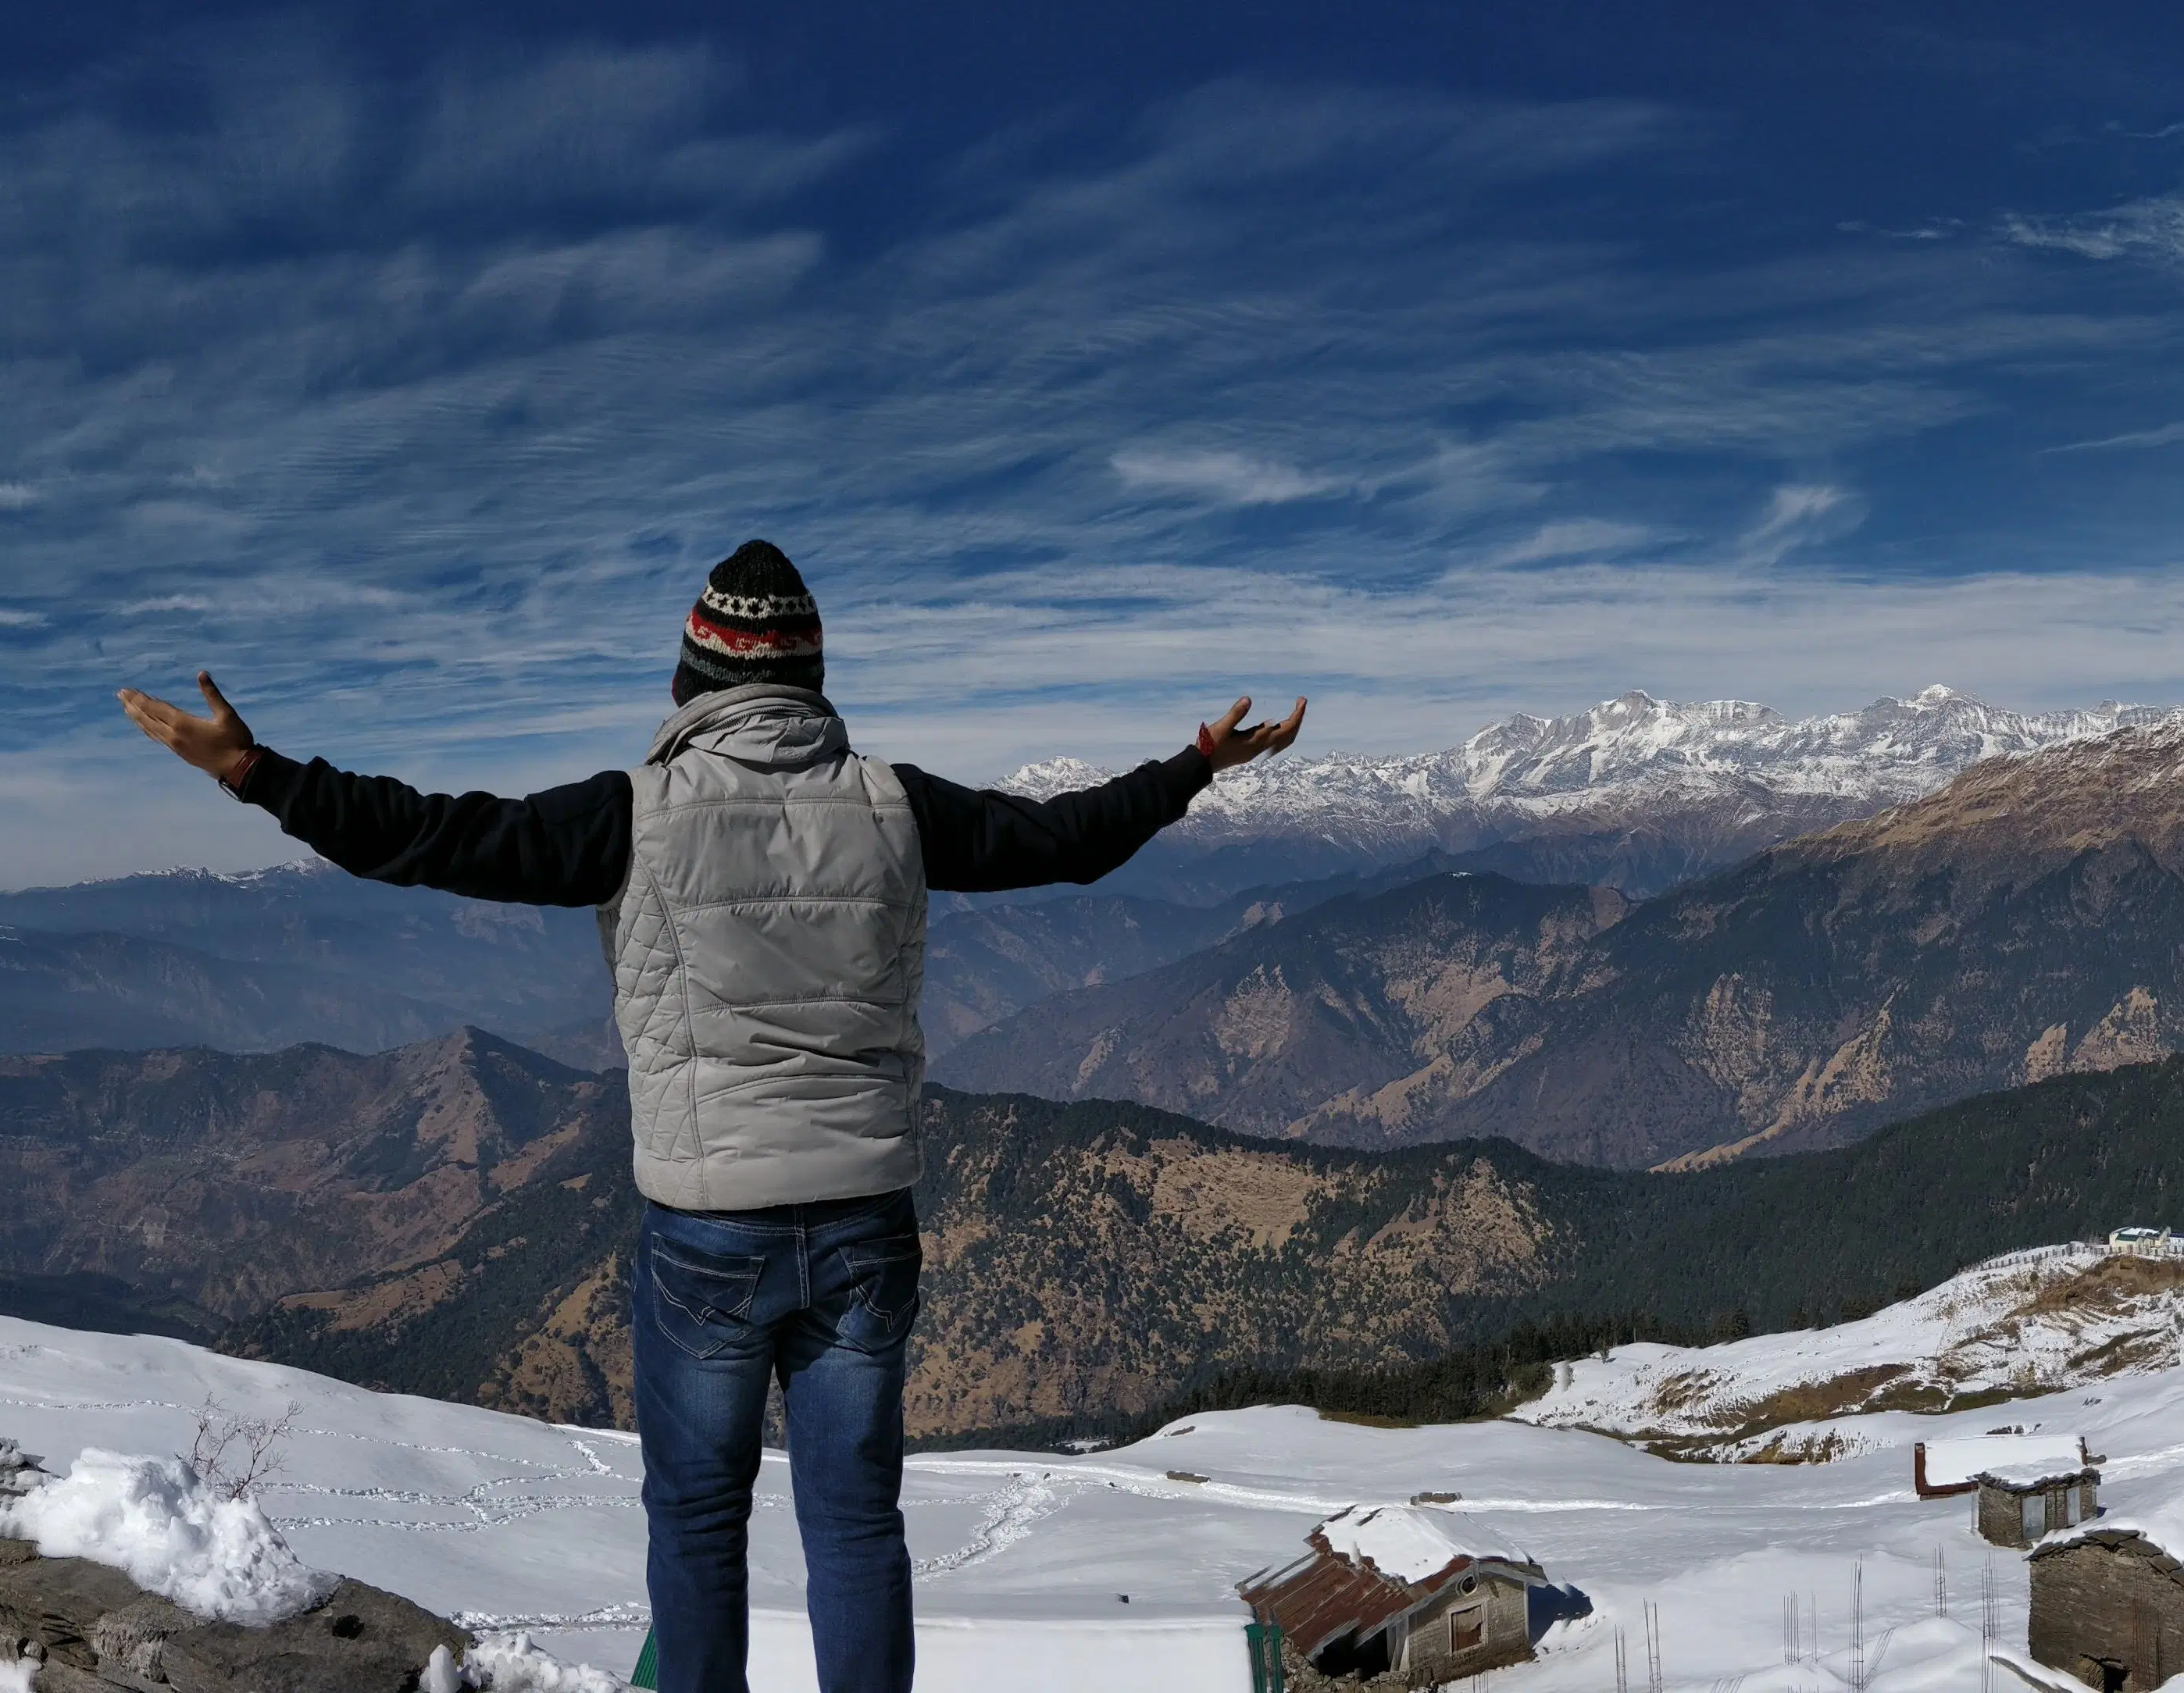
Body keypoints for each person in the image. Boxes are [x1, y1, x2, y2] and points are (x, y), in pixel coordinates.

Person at [114, 539, 1302, 1693]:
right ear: (809, 681)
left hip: (709, 1230)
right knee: (853, 1525)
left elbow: (428, 836)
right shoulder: (899, 806)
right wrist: (1192, 764)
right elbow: (1068, 841)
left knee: (694, 1523)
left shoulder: (627, 813)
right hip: (864, 1222)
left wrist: (256, 772)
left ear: (692, 681)